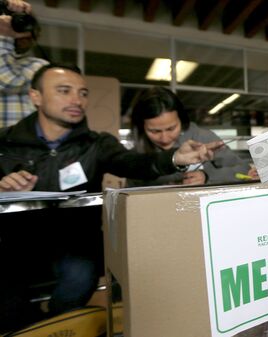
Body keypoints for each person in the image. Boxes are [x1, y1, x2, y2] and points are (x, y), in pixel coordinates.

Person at [0, 63, 222, 333]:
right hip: (15, 245)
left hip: (75, 246)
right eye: (64, 91)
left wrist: (175, 158)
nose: (76, 100)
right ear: (36, 96)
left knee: (77, 282)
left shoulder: (97, 144)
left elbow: (134, 162)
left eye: (82, 93)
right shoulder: (6, 143)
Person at [128, 86, 255, 187]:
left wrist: (207, 177)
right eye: (154, 131)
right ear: (141, 127)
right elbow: (131, 190)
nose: (165, 139)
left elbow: (243, 170)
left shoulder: (202, 138)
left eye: (171, 128)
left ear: (181, 120)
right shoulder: (137, 151)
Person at [0, 0, 48, 128]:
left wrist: (4, 36)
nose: (14, 30)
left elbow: (8, 81)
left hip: (22, 146)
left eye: (21, 23)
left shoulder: (39, 66)